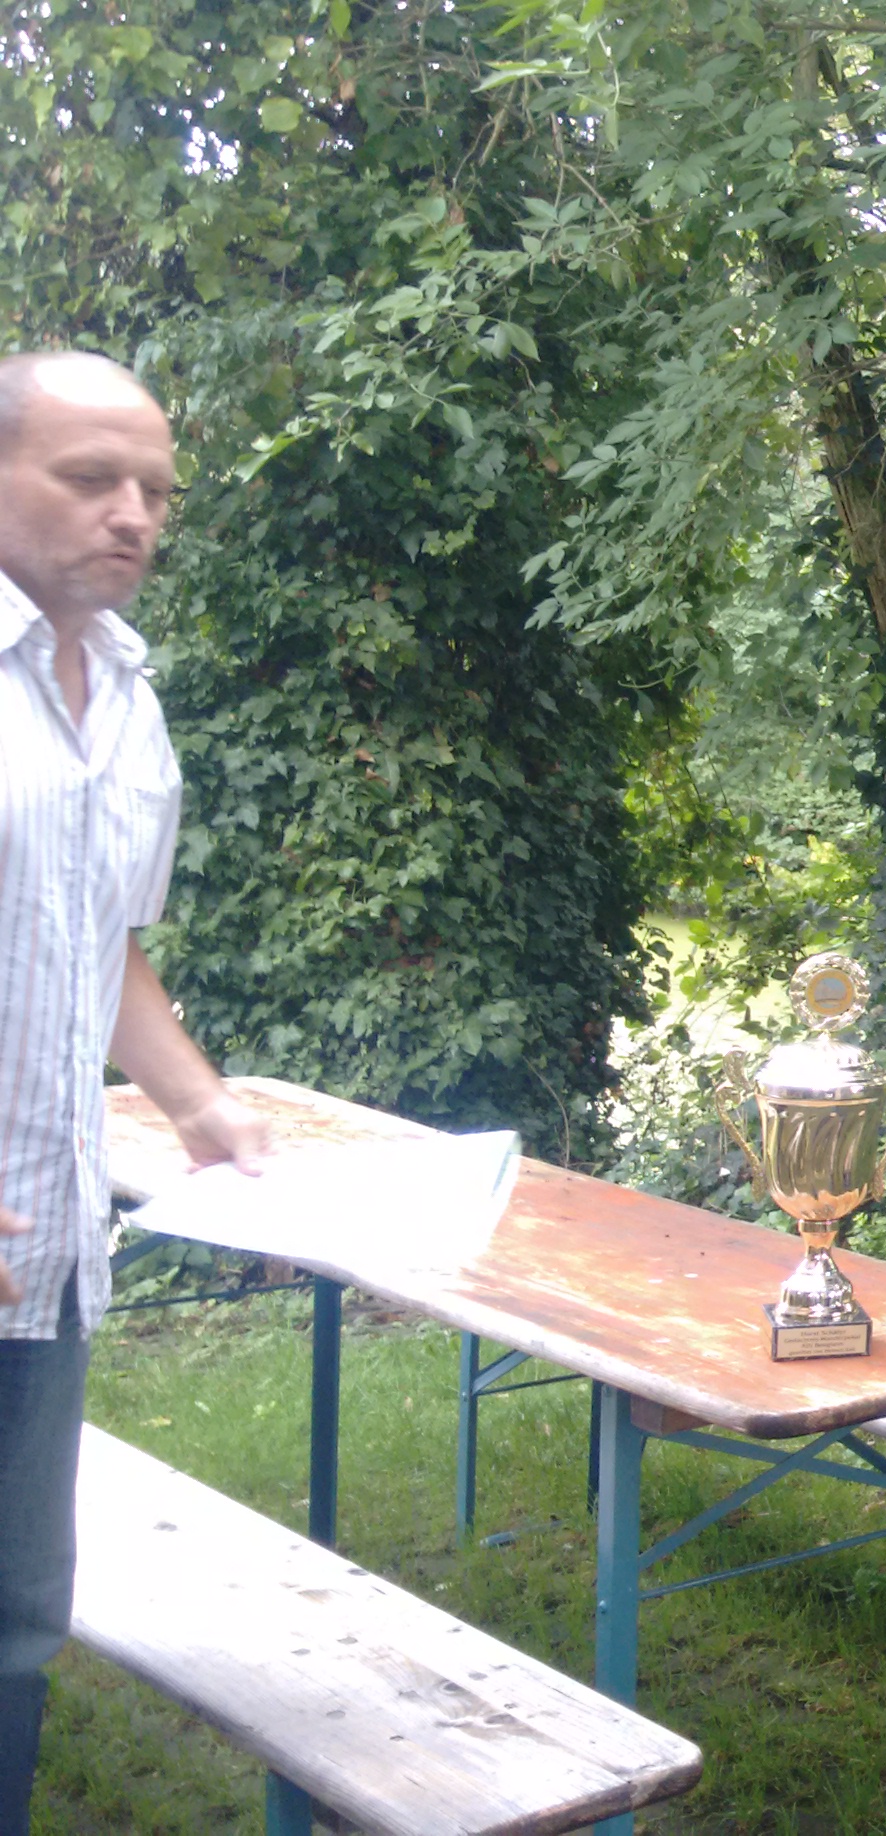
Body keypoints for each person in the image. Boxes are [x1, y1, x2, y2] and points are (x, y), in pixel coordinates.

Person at [0, 351, 269, 1834]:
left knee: (16, 1623)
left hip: (40, 1259)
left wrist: (196, 1104)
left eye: (156, 491)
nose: (133, 515)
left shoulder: (127, 696)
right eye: (91, 477)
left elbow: (98, 941)